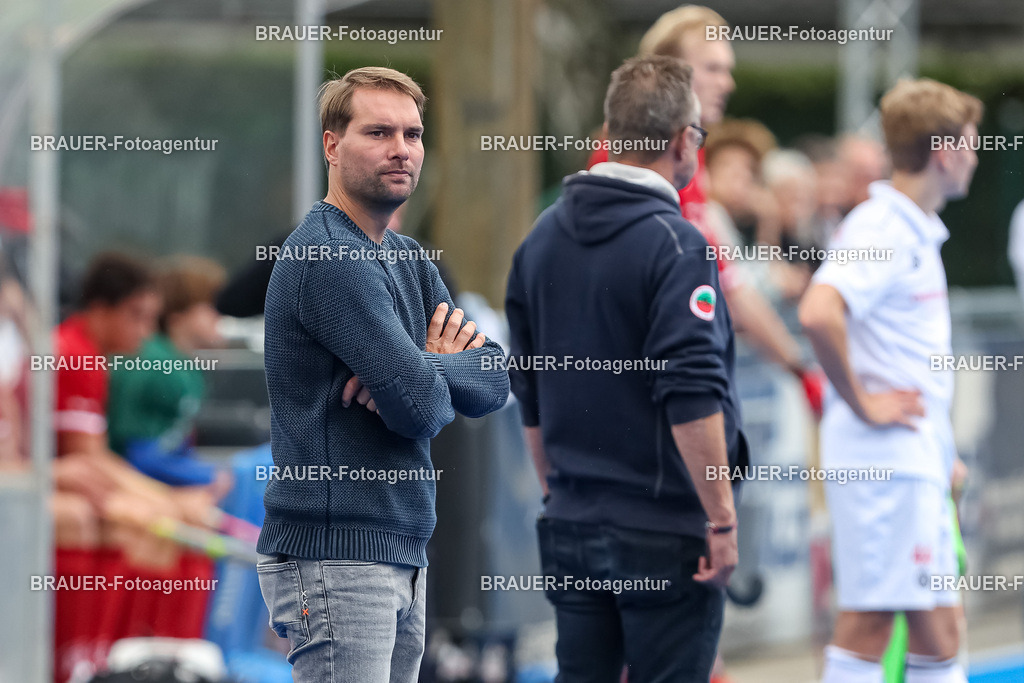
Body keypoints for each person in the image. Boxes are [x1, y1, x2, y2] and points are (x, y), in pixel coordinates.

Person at [257, 66, 509, 682]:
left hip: (397, 548)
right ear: (332, 145)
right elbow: (420, 409)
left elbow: (497, 381)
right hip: (336, 552)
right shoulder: (328, 254)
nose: (402, 149)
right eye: (379, 133)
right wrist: (427, 372)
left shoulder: (405, 256)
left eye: (414, 134)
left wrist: (414, 366)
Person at [507, 55, 747, 683]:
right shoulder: (678, 244)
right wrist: (720, 518)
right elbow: (692, 391)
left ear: (609, 133)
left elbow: (528, 393)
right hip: (663, 531)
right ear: (681, 141)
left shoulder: (538, 242)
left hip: (573, 524)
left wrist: (561, 496)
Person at [799, 78, 982, 683]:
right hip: (884, 459)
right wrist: (864, 403)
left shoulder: (910, 227)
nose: (977, 155)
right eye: (971, 141)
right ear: (945, 151)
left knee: (939, 634)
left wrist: (941, 452)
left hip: (913, 457)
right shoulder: (882, 227)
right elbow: (818, 312)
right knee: (870, 622)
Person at [588, 4, 823, 419]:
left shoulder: (683, 163)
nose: (727, 82)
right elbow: (725, 290)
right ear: (671, 73)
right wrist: (801, 371)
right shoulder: (632, 157)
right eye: (713, 69)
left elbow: (724, 281)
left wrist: (800, 370)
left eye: (727, 69)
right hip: (641, 406)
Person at [107, 255, 230, 488]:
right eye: (213, 306)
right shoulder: (156, 364)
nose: (220, 314)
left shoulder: (186, 367)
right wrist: (210, 476)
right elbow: (138, 456)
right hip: (127, 484)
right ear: (178, 315)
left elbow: (178, 448)